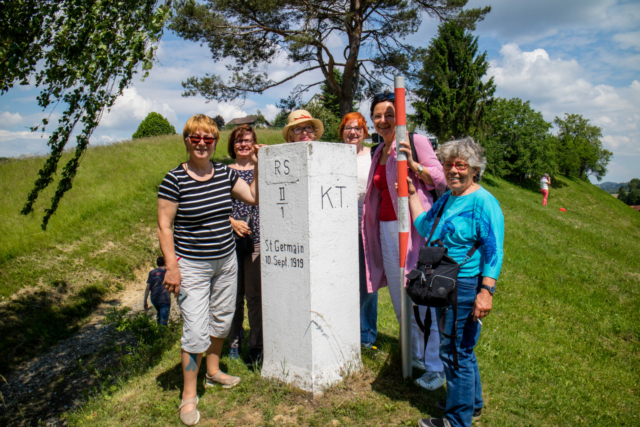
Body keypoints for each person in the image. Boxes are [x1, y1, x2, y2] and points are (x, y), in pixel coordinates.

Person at [158, 114, 260, 426]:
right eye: (195, 138)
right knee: (194, 330)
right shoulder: (174, 180)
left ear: (215, 142)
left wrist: (262, 162)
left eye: (208, 138)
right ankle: (189, 394)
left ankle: (213, 372)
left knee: (221, 320)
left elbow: (254, 197)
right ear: (186, 140)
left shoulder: (224, 175)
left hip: (226, 261)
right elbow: (164, 227)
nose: (202, 143)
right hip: (192, 266)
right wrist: (172, 268)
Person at [407, 137, 504, 427]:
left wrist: (486, 292)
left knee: (454, 352)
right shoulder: (449, 197)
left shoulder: (483, 202)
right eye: (448, 165)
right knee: (460, 348)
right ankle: (470, 403)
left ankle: (456, 420)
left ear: (474, 169)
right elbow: (425, 226)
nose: (453, 171)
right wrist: (412, 193)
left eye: (460, 166)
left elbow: (494, 251)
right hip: (443, 283)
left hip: (463, 286)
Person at [361, 93, 447, 390]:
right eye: (377, 115)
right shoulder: (377, 150)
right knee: (400, 296)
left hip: (412, 228)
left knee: (420, 297)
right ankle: (416, 355)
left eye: (389, 114)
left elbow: (442, 178)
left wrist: (414, 165)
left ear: (400, 117)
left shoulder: (414, 140)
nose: (383, 120)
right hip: (385, 230)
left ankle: (436, 366)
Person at [339, 112, 377, 348]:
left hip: (365, 226)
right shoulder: (333, 156)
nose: (353, 132)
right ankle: (342, 329)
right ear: (341, 132)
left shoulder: (373, 156)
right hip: (337, 229)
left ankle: (365, 334)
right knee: (341, 280)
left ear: (365, 132)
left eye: (358, 128)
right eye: (348, 128)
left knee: (366, 283)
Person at [226, 124, 263, 364]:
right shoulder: (223, 171)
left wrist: (260, 165)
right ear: (232, 145)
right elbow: (215, 206)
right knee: (232, 295)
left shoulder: (263, 167)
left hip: (257, 238)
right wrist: (232, 222)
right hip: (229, 239)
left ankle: (257, 346)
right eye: (239, 141)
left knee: (255, 295)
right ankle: (233, 344)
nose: (243, 145)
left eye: (248, 140)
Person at [143, 257, 171, 326]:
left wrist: (145, 301)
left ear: (157, 263)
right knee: (164, 320)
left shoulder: (152, 273)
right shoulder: (167, 272)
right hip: (165, 299)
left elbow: (147, 288)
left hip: (154, 298)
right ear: (164, 263)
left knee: (159, 313)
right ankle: (162, 334)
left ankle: (157, 332)